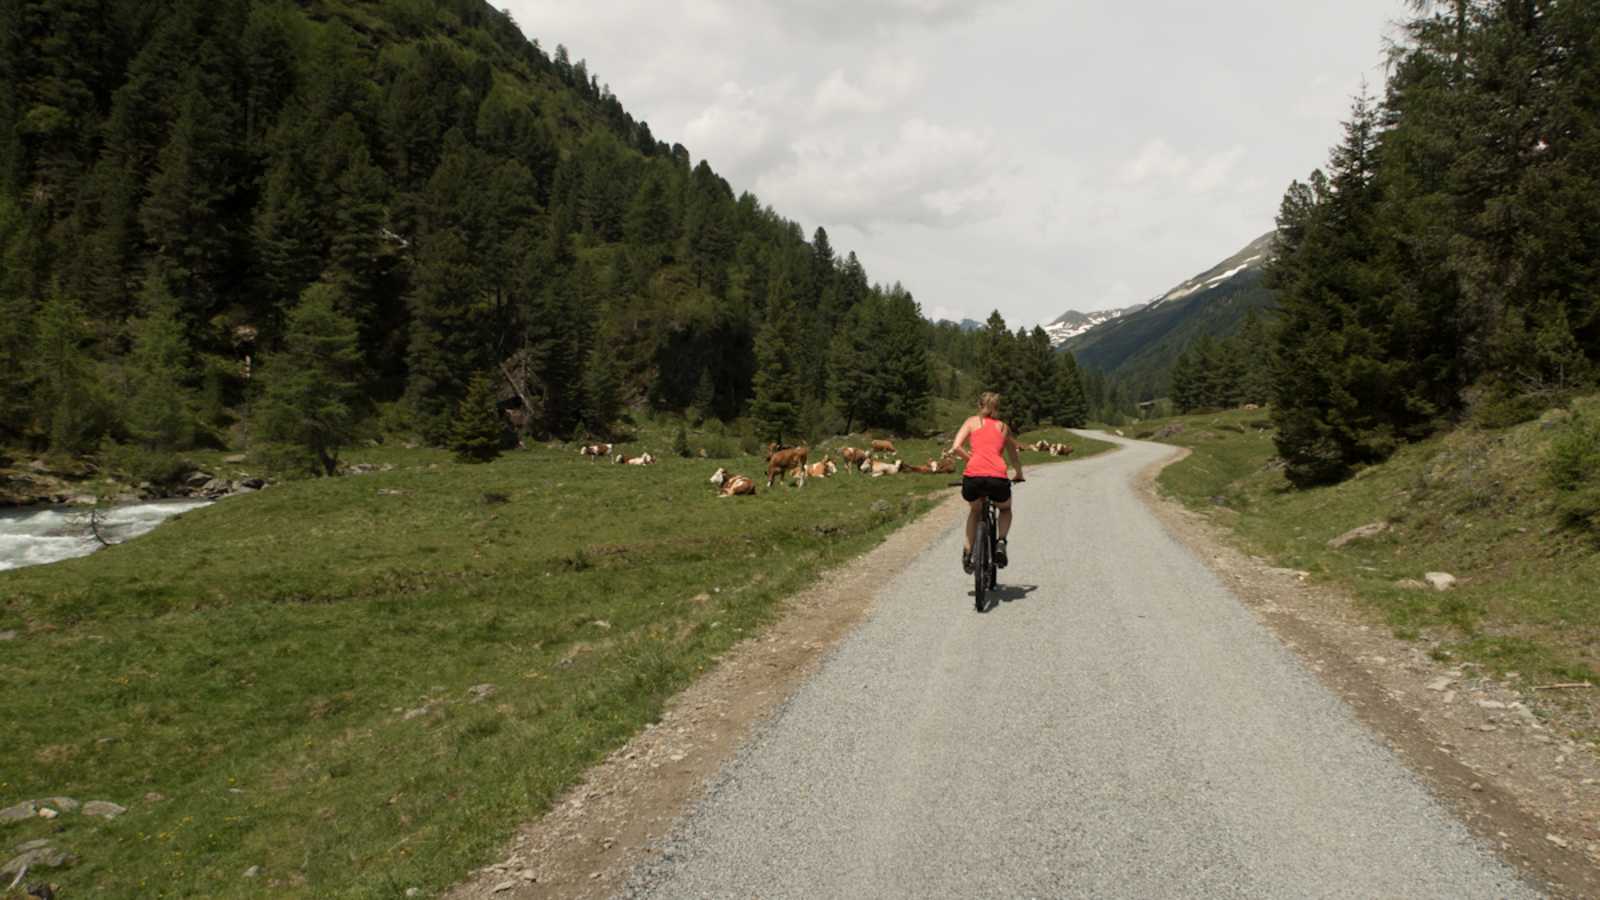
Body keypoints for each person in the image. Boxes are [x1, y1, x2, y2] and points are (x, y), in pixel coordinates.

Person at [948, 391, 1024, 573]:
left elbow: (956, 447)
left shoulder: (970, 422)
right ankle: (1000, 542)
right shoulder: (1003, 427)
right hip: (997, 478)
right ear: (997, 408)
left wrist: (971, 459)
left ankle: (967, 553)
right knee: (1005, 508)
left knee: (975, 511)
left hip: (973, 479)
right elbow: (1013, 455)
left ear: (979, 405)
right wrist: (1019, 473)